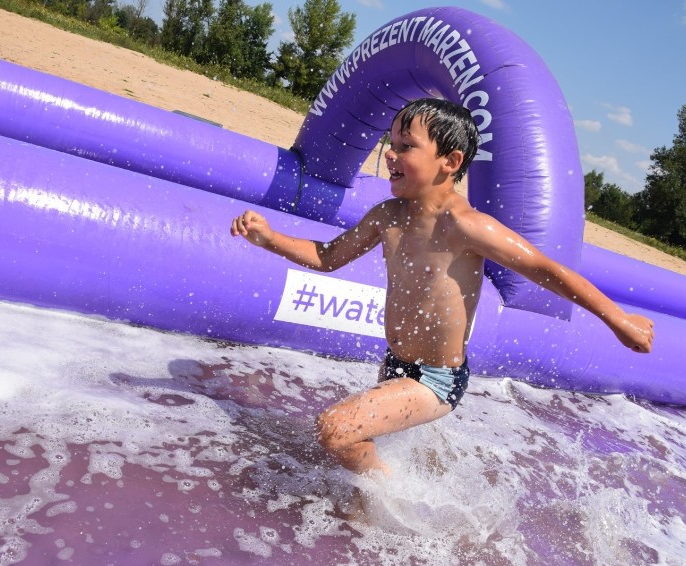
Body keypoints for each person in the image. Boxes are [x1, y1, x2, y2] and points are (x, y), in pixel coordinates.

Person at [230, 98, 654, 477]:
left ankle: (392, 501)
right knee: (342, 445)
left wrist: (617, 319)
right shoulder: (388, 215)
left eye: (406, 146)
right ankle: (369, 512)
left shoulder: (467, 225)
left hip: (437, 379)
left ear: (450, 161)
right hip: (394, 364)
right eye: (390, 143)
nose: (390, 154)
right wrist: (270, 239)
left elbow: (546, 270)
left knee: (334, 430)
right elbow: (327, 256)